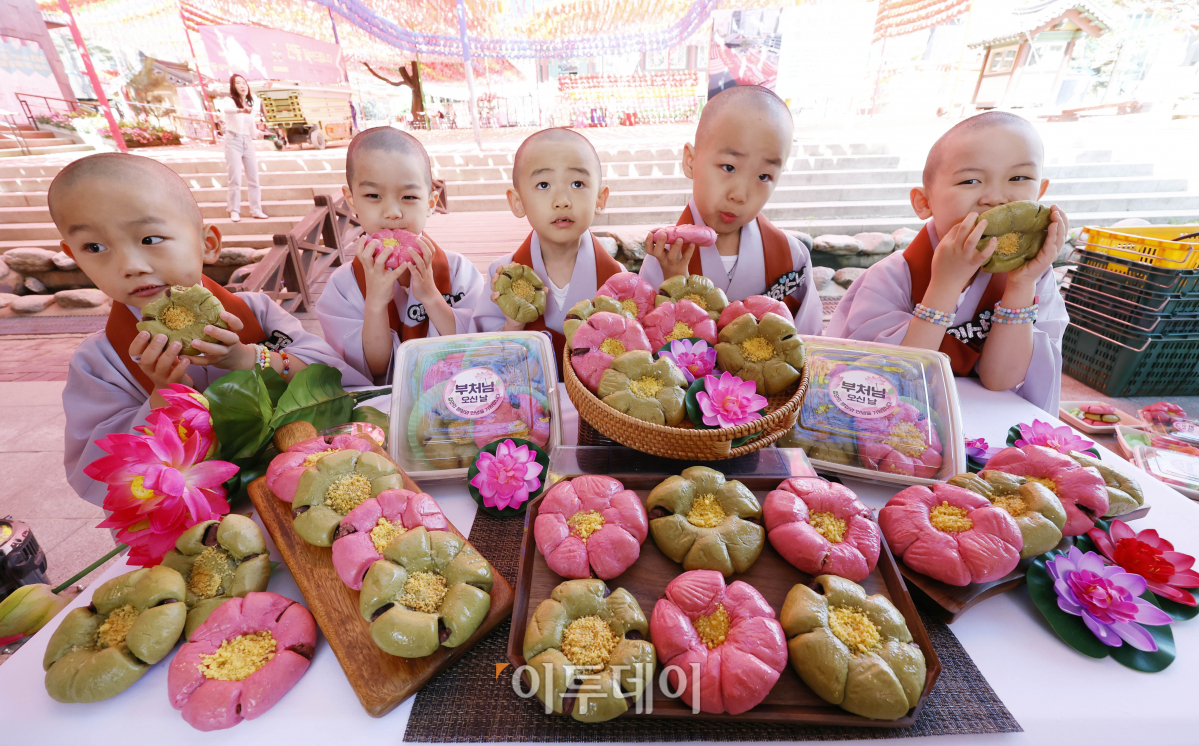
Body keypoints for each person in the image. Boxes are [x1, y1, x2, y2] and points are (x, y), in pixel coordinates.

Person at [51, 153, 370, 506]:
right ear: (74, 257)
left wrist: (250, 357)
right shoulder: (100, 360)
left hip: (312, 491)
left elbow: (346, 386)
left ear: (208, 243)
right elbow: (95, 473)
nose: (131, 265)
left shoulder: (256, 312)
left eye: (150, 239)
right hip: (195, 522)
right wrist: (164, 394)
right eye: (94, 247)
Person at [826, 111, 1069, 412]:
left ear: (1040, 191)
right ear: (924, 202)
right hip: (899, 427)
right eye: (970, 180)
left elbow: (1001, 379)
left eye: (1019, 178)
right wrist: (946, 283)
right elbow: (890, 379)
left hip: (986, 424)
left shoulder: (1034, 277)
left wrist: (1020, 284)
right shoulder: (890, 277)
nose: (996, 199)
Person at [638, 85, 822, 335]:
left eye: (763, 175)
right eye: (729, 167)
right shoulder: (665, 255)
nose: (740, 194)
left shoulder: (791, 258)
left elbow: (806, 348)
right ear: (690, 161)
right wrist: (675, 282)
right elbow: (646, 349)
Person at [316, 127, 484, 383]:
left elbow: (476, 349)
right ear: (351, 201)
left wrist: (430, 295)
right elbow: (374, 369)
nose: (392, 212)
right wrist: (375, 304)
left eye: (409, 196)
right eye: (373, 196)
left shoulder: (460, 270)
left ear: (429, 203)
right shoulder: (342, 285)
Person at [472, 127, 624, 378]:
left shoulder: (617, 278)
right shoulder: (501, 275)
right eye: (543, 184)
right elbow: (487, 367)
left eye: (577, 183)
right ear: (517, 202)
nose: (562, 200)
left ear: (600, 199)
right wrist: (514, 323)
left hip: (597, 413)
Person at [222, 74, 267, 223]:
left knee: (254, 179)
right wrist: (241, 110)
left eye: (244, 83)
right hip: (232, 141)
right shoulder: (229, 101)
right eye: (238, 83)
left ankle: (256, 209)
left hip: (247, 142)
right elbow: (227, 110)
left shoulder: (249, 106)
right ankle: (234, 210)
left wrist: (264, 134)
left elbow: (252, 131)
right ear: (233, 87)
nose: (242, 85)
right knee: (235, 178)